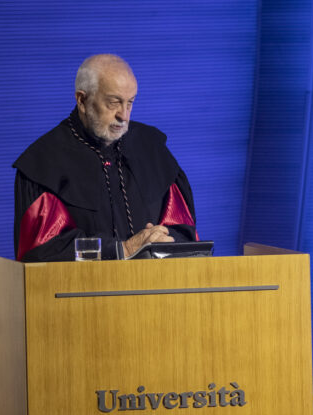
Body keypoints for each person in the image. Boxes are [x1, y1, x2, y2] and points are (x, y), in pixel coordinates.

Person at [13, 54, 197, 262]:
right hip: (82, 292)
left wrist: (162, 240)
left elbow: (184, 230)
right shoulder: (44, 162)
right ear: (82, 100)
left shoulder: (153, 148)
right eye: (114, 103)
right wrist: (121, 249)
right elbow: (44, 251)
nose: (124, 116)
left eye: (130, 103)